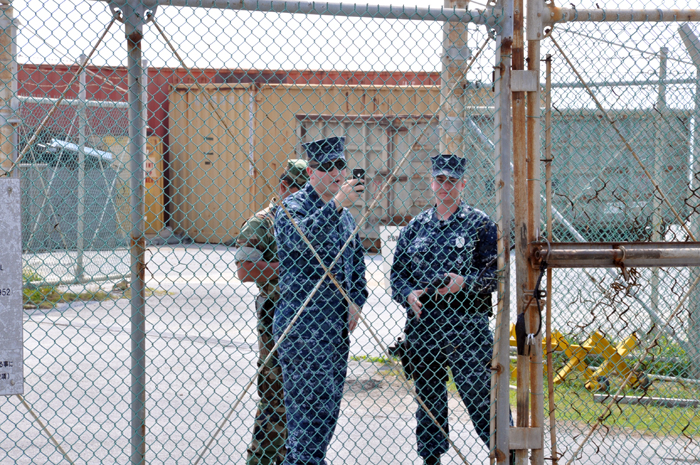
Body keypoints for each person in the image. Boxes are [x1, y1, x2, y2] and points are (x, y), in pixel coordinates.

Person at [390, 154, 498, 465]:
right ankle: (431, 459)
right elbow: (398, 275)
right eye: (440, 180)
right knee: (429, 405)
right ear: (431, 183)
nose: (445, 185)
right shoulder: (416, 227)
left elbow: (497, 276)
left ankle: (506, 455)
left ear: (463, 184)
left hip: (467, 331)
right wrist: (409, 294)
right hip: (424, 331)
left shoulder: (480, 224)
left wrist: (464, 283)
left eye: (452, 180)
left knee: (482, 399)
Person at [273, 136, 368, 465]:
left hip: (334, 334)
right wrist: (336, 204)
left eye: (340, 165)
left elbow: (357, 265)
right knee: (307, 423)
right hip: (302, 333)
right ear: (311, 172)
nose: (336, 173)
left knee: (324, 419)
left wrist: (356, 301)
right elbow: (300, 240)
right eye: (327, 167)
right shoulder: (293, 207)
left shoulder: (346, 217)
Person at [235, 159, 310, 465]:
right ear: (283, 187)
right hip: (275, 319)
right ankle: (262, 460)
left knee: (308, 400)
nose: (303, 196)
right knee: (276, 399)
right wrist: (292, 269)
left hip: (312, 323)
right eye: (298, 189)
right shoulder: (263, 223)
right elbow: (245, 269)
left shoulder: (312, 220)